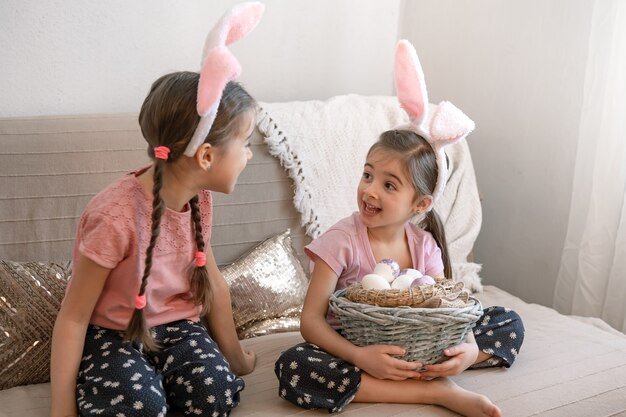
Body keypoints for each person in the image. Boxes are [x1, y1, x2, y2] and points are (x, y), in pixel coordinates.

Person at [274, 40, 524, 417]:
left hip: (423, 342)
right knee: (295, 367)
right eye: (368, 175)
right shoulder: (340, 241)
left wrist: (468, 349)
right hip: (356, 345)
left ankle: (434, 370)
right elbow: (310, 321)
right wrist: (361, 355)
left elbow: (449, 307)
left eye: (389, 185)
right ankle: (435, 391)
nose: (370, 190)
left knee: (507, 322)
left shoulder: (424, 246)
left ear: (420, 204)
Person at [50, 3, 265, 416]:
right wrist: (61, 409)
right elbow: (74, 318)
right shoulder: (113, 218)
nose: (250, 155)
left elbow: (213, 283)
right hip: (113, 334)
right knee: (139, 405)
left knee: (214, 390)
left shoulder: (198, 199)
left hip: (179, 329)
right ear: (205, 156)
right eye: (246, 143)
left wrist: (236, 360)